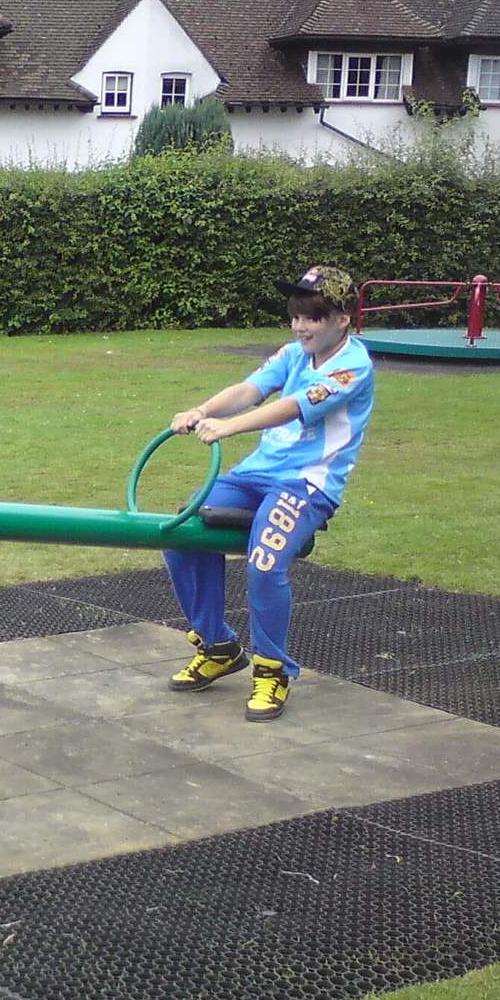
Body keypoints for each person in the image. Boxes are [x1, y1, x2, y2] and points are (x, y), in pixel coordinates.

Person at [162, 265, 374, 721]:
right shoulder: (295, 352)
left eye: (312, 316)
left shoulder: (352, 367)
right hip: (255, 474)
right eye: (296, 315)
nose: (301, 326)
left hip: (307, 483)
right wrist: (201, 410)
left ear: (342, 319)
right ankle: (218, 645)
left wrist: (227, 428)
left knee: (265, 560)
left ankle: (272, 670)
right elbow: (250, 389)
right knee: (181, 535)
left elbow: (291, 407)